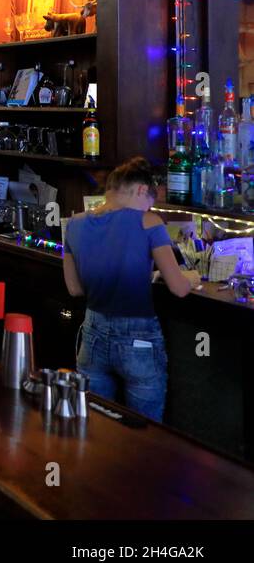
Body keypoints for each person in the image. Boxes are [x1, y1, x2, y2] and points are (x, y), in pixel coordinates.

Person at [62, 156, 200, 422]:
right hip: (139, 340)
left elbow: (74, 289)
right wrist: (192, 277)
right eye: (150, 201)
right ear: (140, 190)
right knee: (144, 430)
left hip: (92, 336)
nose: (150, 208)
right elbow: (179, 288)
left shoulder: (75, 224)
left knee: (95, 425)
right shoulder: (150, 222)